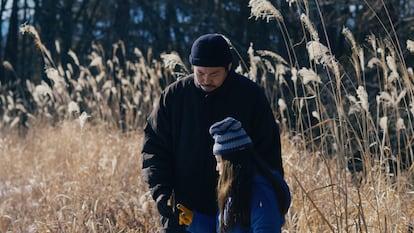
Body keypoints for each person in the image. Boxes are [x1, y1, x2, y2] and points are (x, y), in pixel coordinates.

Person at [141, 33, 284, 233]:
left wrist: (261, 196)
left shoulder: (250, 97)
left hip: (237, 208)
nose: (206, 79)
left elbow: (268, 155)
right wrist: (162, 194)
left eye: (214, 73)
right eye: (200, 73)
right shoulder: (174, 97)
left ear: (229, 67)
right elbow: (154, 149)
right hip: (183, 212)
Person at [176, 117, 291, 233]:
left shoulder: (261, 195)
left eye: (219, 161)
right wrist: (195, 221)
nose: (217, 168)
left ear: (230, 163)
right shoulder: (236, 192)